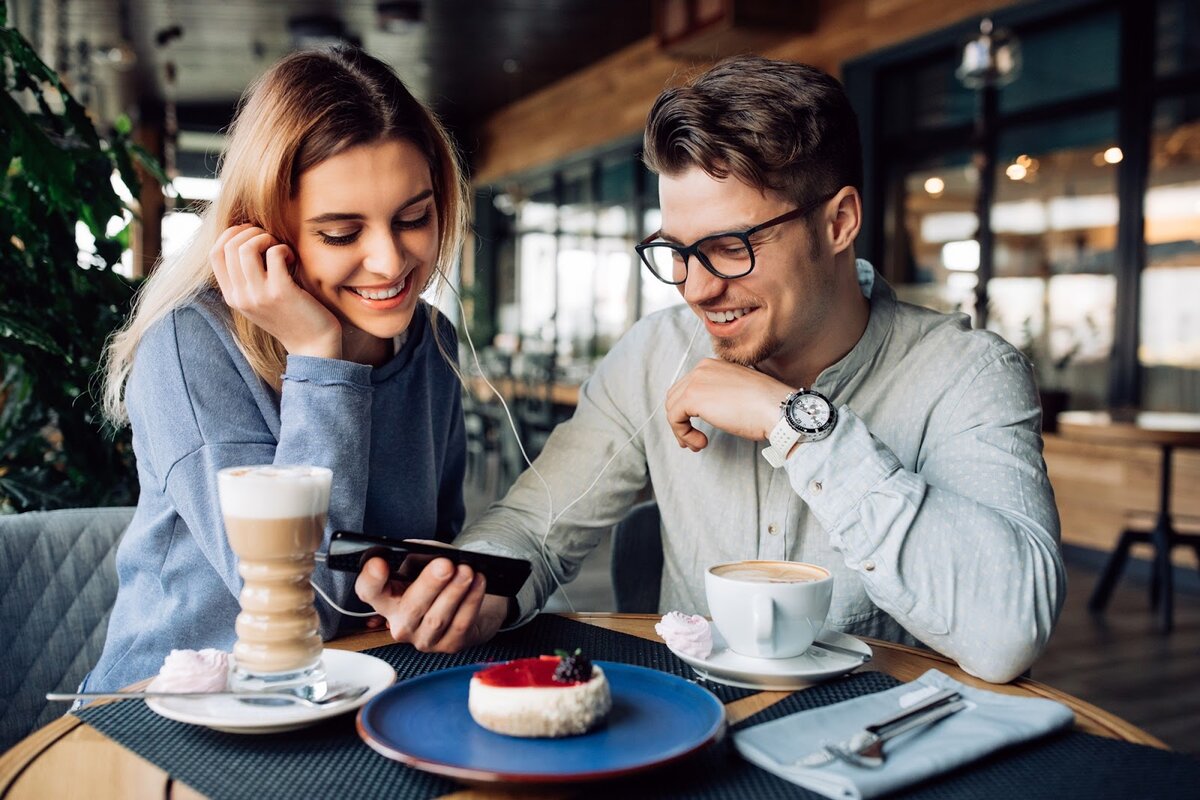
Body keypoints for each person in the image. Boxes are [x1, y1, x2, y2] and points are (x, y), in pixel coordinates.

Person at [356, 55, 1065, 684]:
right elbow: (535, 532)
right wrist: (474, 586)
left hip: (887, 754)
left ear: (839, 221)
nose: (694, 288)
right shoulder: (655, 354)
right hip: (691, 744)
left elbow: (1008, 635)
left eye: (729, 247)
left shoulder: (967, 374)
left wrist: (795, 423)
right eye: (676, 250)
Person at [86, 45, 474, 692]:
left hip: (352, 700)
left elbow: (433, 548)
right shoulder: (188, 348)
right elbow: (299, 607)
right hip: (170, 716)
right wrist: (319, 357)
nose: (390, 262)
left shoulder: (431, 343)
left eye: (414, 218)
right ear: (267, 231)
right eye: (342, 234)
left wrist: (432, 589)